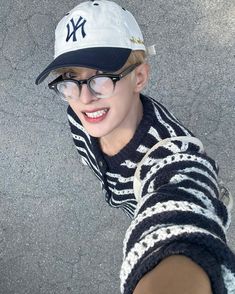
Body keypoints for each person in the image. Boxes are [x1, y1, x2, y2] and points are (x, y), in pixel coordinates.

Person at [35, 0, 235, 293]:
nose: (84, 99)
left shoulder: (175, 157)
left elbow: (181, 222)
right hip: (135, 201)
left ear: (138, 77)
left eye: (100, 79)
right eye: (70, 79)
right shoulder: (79, 115)